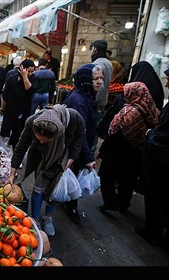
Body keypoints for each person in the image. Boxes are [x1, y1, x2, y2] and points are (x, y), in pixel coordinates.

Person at [6, 104, 86, 236]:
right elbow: (21, 148)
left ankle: (48, 216)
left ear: (57, 134)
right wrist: (12, 174)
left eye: (45, 141)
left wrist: (72, 157)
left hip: (62, 157)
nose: (41, 142)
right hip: (41, 157)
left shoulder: (74, 118)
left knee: (55, 189)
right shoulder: (32, 122)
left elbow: (80, 135)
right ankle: (35, 219)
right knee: (39, 187)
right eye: (39, 140)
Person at [98, 82, 159, 213]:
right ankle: (123, 203)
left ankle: (110, 202)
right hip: (137, 151)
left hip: (118, 150)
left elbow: (115, 130)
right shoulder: (152, 108)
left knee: (106, 174)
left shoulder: (129, 111)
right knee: (128, 179)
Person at [136, 65, 169, 247]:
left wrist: (150, 134)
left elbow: (163, 139)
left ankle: (154, 233)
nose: (167, 85)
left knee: (157, 199)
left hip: (163, 164)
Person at [63, 63, 103, 224]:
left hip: (78, 147)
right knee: (71, 174)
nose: (99, 81)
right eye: (95, 78)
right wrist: (88, 157)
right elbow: (81, 133)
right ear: (86, 80)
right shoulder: (79, 101)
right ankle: (70, 206)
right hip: (76, 148)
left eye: (101, 78)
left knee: (70, 175)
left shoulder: (84, 95)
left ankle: (67, 200)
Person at [0, 59, 37, 151]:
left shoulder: (33, 79)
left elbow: (29, 89)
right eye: (28, 71)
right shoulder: (12, 78)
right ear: (21, 68)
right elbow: (5, 96)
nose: (30, 73)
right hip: (10, 110)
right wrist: (2, 109)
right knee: (6, 131)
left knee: (18, 133)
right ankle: (9, 144)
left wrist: (25, 77)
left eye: (32, 71)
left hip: (23, 111)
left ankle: (15, 151)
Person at [90, 40, 113, 111]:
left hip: (95, 102)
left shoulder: (96, 64)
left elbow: (97, 86)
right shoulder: (109, 63)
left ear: (95, 49)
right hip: (104, 100)